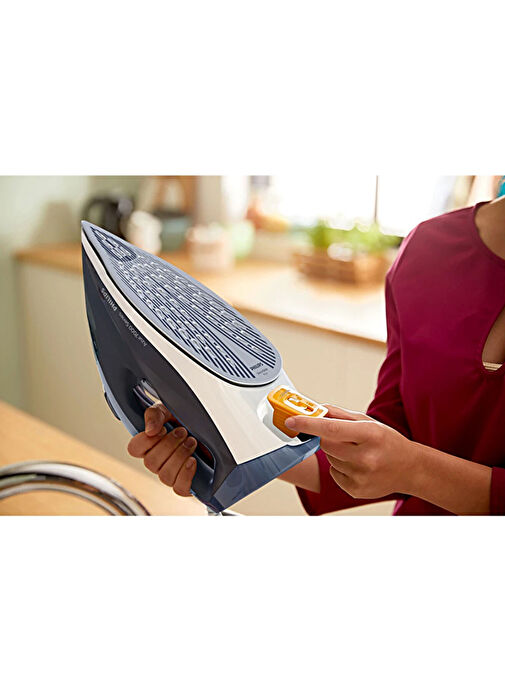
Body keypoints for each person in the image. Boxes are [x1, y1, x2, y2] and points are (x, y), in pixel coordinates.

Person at [127, 195, 505, 515]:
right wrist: (221, 433)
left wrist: (416, 470)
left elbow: (408, 461)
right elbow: (393, 438)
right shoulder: (429, 249)